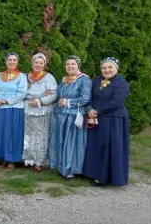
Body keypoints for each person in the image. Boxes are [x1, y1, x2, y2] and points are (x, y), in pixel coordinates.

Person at [84, 57, 130, 186]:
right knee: (97, 146)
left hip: (114, 119)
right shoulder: (97, 80)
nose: (107, 70)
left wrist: (98, 110)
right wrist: (89, 109)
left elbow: (117, 102)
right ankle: (95, 173)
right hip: (98, 118)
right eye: (104, 68)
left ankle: (106, 177)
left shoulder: (121, 83)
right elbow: (91, 97)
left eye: (110, 67)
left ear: (116, 68)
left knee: (109, 147)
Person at [49, 55, 92, 180]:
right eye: (68, 64)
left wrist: (67, 102)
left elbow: (85, 98)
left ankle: (71, 169)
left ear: (78, 65)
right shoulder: (65, 80)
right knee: (61, 140)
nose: (70, 66)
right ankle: (62, 166)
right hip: (61, 115)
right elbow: (58, 95)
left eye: (73, 64)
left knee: (71, 142)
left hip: (73, 116)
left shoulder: (84, 80)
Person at [23, 53, 58, 172]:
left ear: (44, 64)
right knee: (29, 136)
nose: (38, 65)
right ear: (32, 63)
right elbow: (22, 92)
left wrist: (40, 100)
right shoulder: (26, 77)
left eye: (41, 63)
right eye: (36, 62)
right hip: (27, 109)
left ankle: (39, 162)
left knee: (41, 136)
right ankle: (29, 160)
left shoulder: (48, 77)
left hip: (42, 110)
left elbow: (53, 95)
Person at [0, 52, 27, 169]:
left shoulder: (22, 76)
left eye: (14, 60)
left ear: (17, 62)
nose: (12, 62)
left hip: (14, 108)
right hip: (0, 109)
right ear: (5, 62)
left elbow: (22, 93)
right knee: (1, 133)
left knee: (13, 133)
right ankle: (3, 157)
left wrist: (6, 100)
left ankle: (13, 159)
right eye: (9, 60)